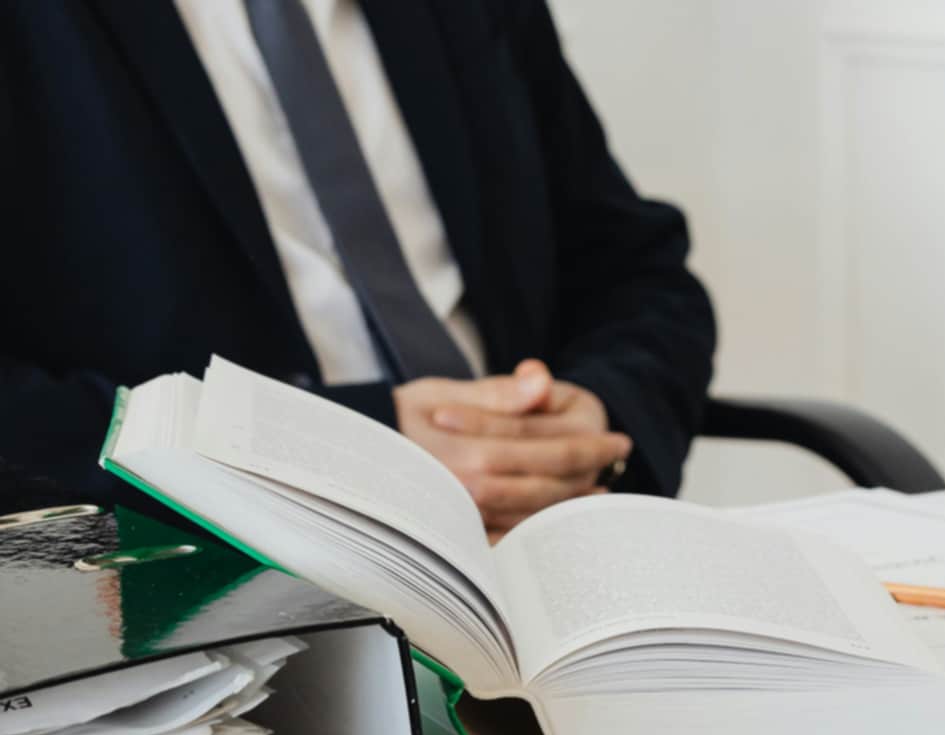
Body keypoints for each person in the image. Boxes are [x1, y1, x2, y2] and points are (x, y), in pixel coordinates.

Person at [0, 1, 715, 541]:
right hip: (220, 586)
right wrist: (347, 454)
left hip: (550, 543)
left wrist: (591, 423)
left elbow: (638, 270)